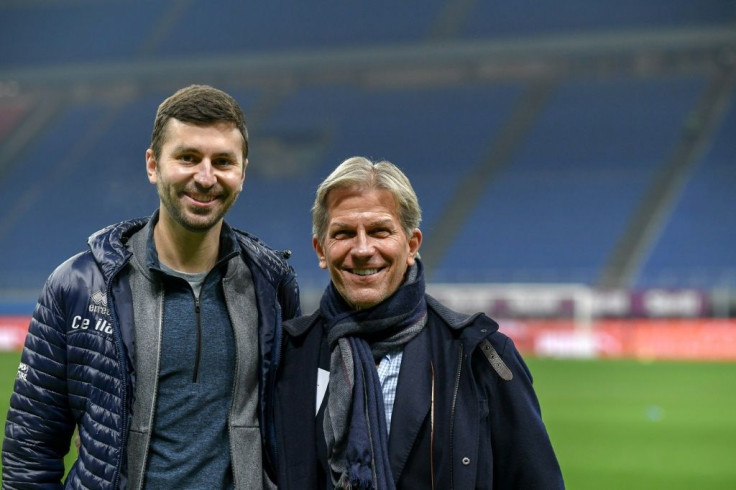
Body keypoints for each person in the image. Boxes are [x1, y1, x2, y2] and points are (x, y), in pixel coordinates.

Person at [2, 84, 301, 488]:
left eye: (223, 161)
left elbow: (291, 437)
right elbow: (30, 448)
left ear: (242, 173)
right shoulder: (77, 286)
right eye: (188, 158)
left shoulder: (272, 286)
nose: (206, 177)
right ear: (153, 165)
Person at [269, 156, 564, 489]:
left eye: (380, 231)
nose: (363, 249)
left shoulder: (480, 356)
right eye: (344, 233)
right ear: (321, 250)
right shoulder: (286, 356)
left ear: (411, 246)